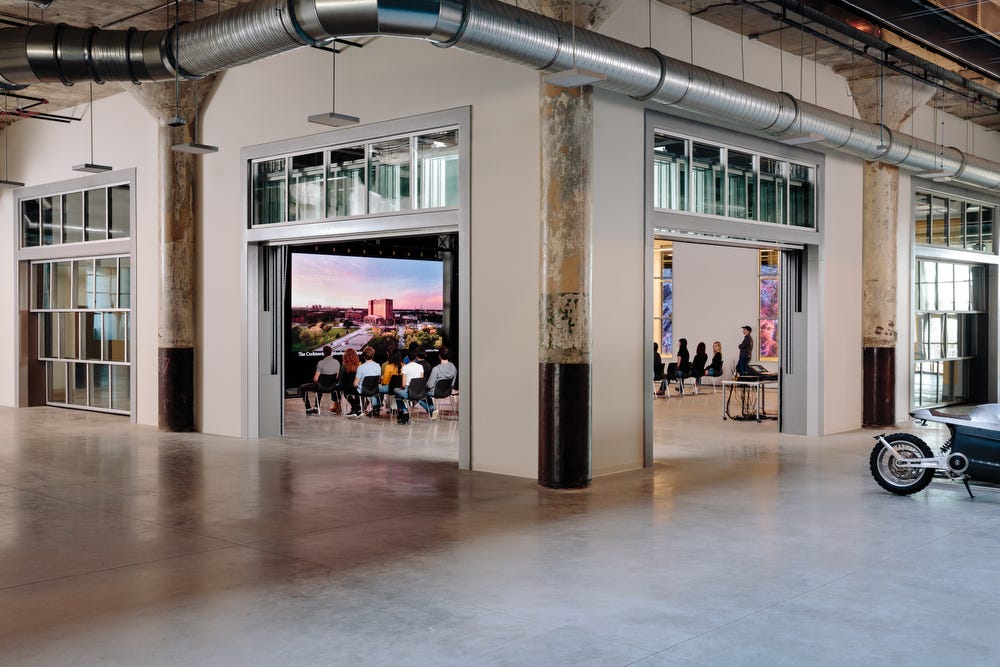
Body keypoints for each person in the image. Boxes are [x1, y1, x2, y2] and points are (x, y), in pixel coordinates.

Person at [298, 345, 340, 415]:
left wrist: (321, 381)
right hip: (332, 387)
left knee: (303, 388)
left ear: (323, 353)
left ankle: (308, 408)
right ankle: (316, 407)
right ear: (331, 352)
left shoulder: (321, 363)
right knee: (320, 384)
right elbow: (336, 377)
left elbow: (315, 379)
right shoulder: (337, 362)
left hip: (321, 387)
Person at [419, 347, 457, 421]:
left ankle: (432, 410)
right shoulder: (453, 367)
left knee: (419, 394)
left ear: (439, 356)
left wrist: (423, 387)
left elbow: (430, 385)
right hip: (447, 392)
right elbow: (453, 384)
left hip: (435, 392)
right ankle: (432, 411)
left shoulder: (436, 369)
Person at [394, 349, 426, 425]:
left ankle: (404, 412)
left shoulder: (405, 367)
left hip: (409, 392)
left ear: (408, 358)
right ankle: (403, 413)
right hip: (419, 391)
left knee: (396, 392)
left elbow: (404, 384)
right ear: (416, 358)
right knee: (399, 394)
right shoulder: (420, 367)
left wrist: (401, 388)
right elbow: (421, 380)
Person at [351, 346, 382, 418]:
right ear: (373, 355)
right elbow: (378, 380)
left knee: (352, 389)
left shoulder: (361, 367)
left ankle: (357, 409)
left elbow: (355, 384)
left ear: (364, 356)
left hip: (363, 391)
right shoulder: (378, 366)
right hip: (375, 390)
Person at [377, 349, 403, 418]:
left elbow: (384, 382)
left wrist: (381, 381)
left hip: (389, 388)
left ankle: (376, 407)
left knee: (374, 388)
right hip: (400, 388)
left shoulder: (388, 367)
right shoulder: (403, 365)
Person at [337, 348, 360, 416]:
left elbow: (341, 379)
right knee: (356, 394)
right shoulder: (358, 365)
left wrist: (338, 384)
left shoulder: (344, 365)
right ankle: (356, 409)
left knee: (344, 393)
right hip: (356, 387)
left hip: (347, 387)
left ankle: (356, 408)